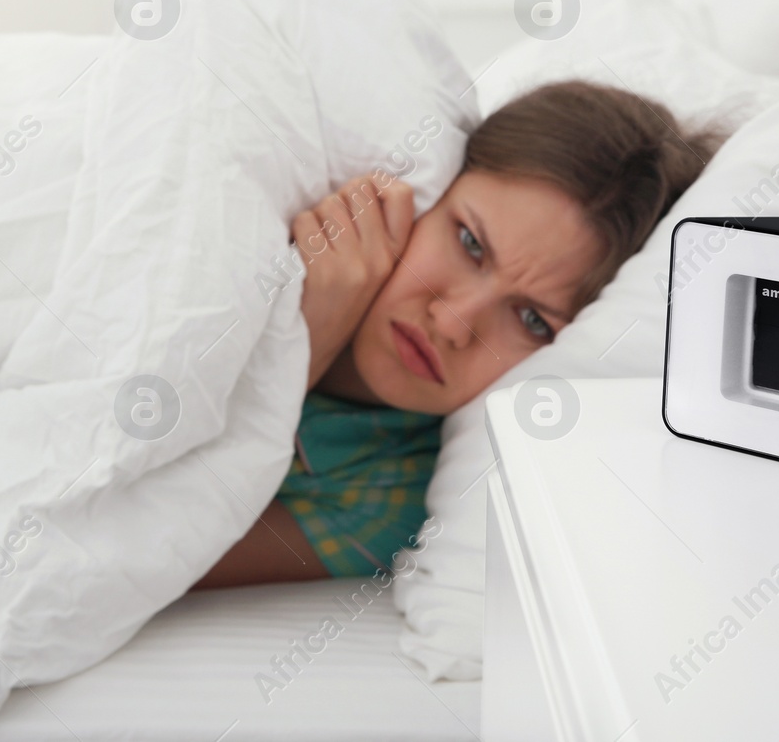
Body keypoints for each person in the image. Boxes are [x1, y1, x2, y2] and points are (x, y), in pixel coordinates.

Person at [195, 79, 721, 588]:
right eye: (470, 243)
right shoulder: (272, 217)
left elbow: (143, 552)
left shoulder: (390, 496)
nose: (451, 324)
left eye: (532, 320)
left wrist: (301, 353)